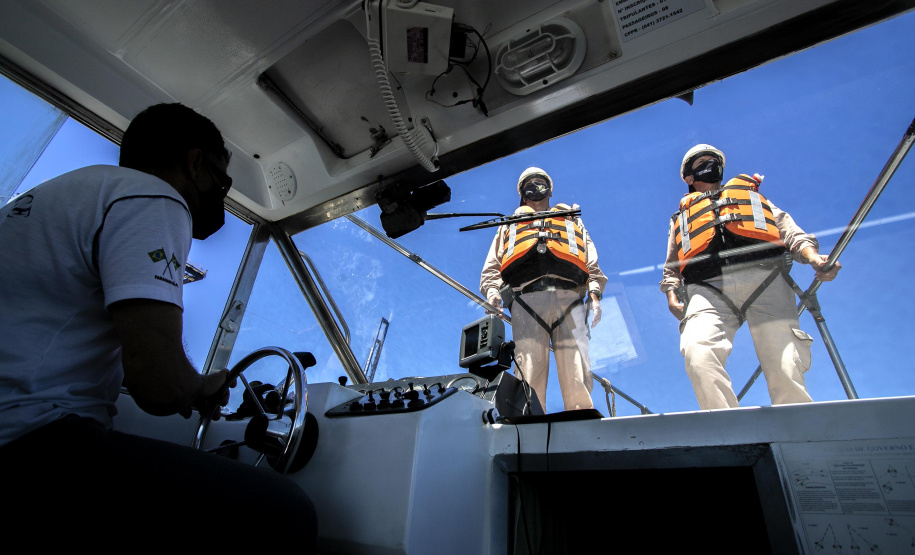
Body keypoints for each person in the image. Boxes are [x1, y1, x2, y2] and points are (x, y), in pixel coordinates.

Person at [0, 103, 316, 547]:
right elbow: (159, 385)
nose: (222, 197)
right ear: (195, 163)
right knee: (283, 513)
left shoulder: (61, 194)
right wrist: (200, 386)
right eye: (223, 181)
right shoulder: (155, 197)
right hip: (29, 440)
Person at [661, 144, 841, 410]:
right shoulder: (681, 217)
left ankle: (798, 427)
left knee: (784, 363)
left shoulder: (750, 197)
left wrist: (813, 257)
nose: (712, 165)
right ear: (689, 177)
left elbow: (789, 231)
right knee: (698, 352)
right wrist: (671, 296)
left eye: (715, 161)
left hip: (765, 279)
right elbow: (672, 265)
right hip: (708, 288)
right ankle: (728, 426)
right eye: (703, 162)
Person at [481, 167, 607, 413]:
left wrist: (595, 295)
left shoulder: (571, 219)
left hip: (570, 299)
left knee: (577, 369)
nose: (535, 186)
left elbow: (591, 262)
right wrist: (492, 293)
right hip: (526, 301)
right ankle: (529, 424)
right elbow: (492, 267)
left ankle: (581, 420)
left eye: (540, 183)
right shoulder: (509, 225)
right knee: (528, 371)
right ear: (522, 194)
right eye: (529, 184)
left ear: (550, 190)